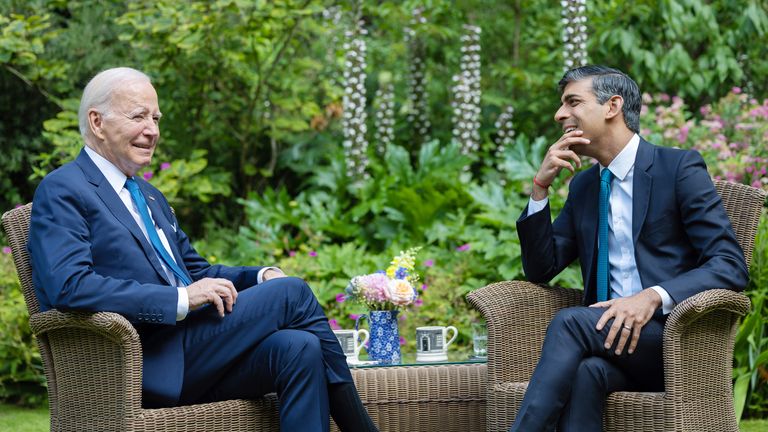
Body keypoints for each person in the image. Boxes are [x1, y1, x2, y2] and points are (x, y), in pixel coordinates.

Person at [28, 67, 378, 432]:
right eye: (139, 117)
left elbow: (196, 271)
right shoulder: (63, 189)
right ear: (97, 122)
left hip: (194, 353)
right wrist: (180, 300)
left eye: (156, 118)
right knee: (292, 293)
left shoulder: (148, 196)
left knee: (298, 348)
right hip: (139, 364)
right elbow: (68, 286)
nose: (153, 130)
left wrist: (259, 275)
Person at [511, 65, 748, 431]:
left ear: (612, 106)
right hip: (610, 342)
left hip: (674, 337)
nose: (560, 115)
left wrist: (652, 296)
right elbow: (541, 268)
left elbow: (729, 264)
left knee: (572, 322)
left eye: (573, 102)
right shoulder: (585, 187)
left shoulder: (678, 168)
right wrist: (540, 190)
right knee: (587, 373)